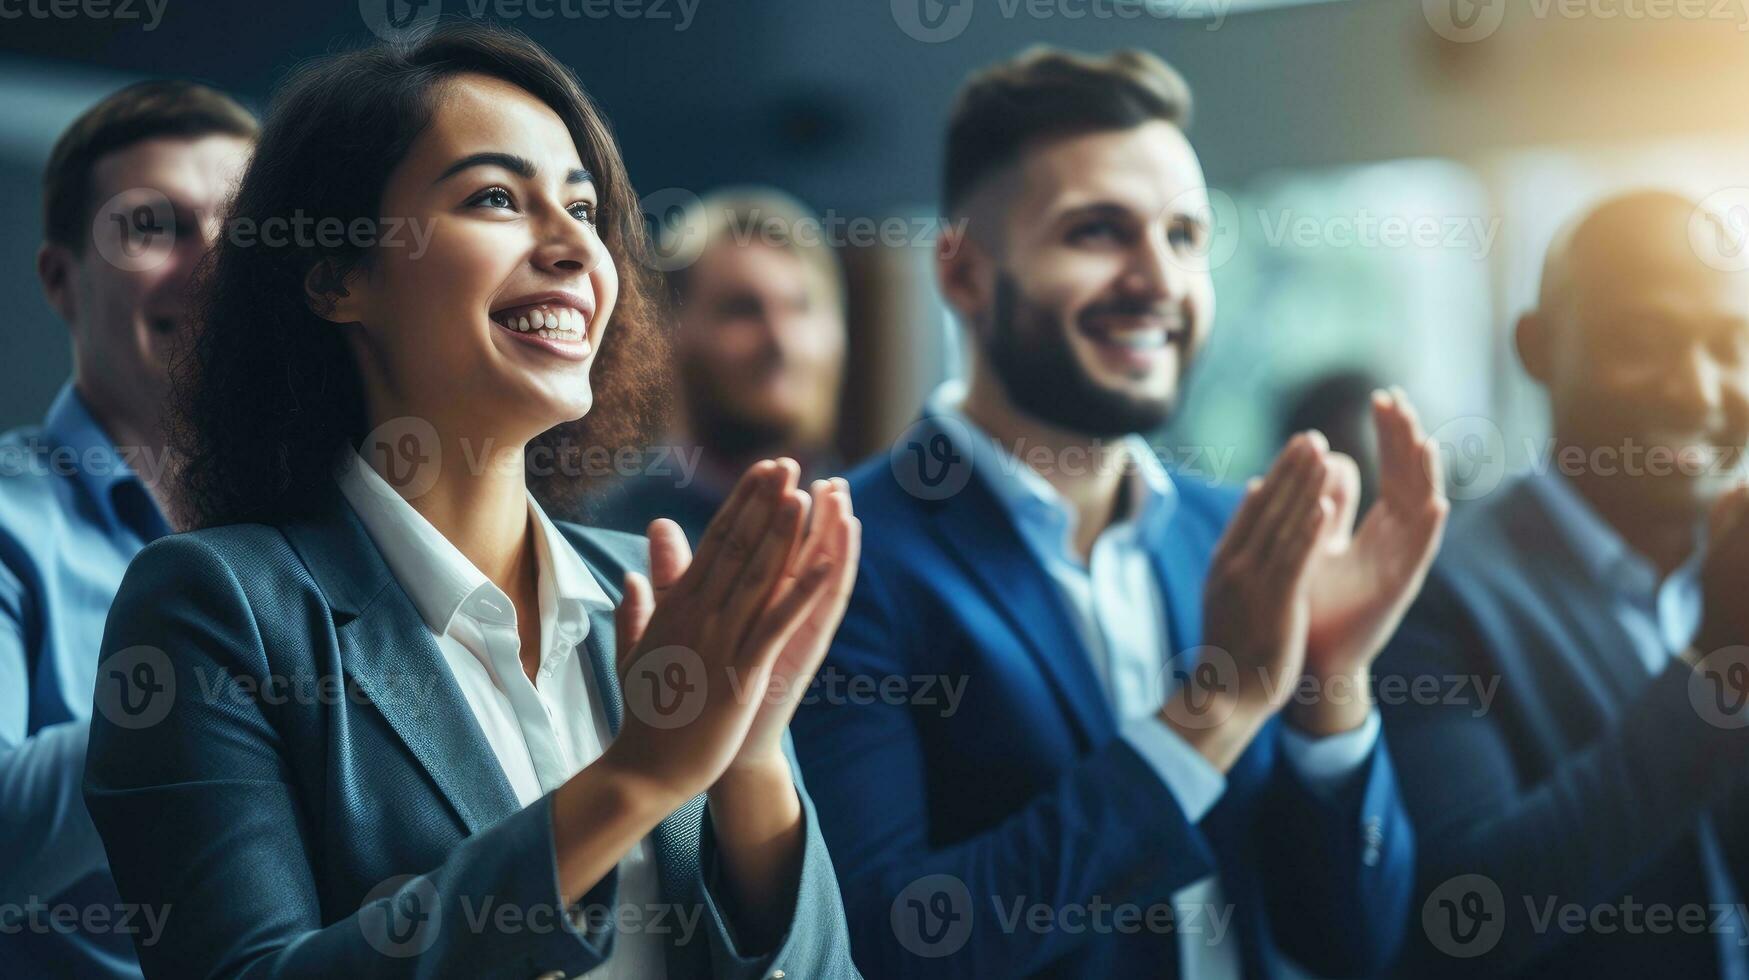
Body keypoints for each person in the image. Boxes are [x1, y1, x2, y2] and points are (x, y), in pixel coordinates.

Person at [82, 25, 860, 978]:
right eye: (496, 197)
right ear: (337, 275)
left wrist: (747, 757)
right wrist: (637, 778)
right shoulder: (214, 605)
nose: (576, 244)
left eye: (584, 207)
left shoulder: (654, 591)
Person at [792, 46, 1449, 978]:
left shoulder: (1240, 541)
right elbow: (893, 943)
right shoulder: (840, 555)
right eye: (1098, 232)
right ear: (965, 273)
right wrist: (1210, 713)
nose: (1157, 280)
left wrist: (1328, 682)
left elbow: (1353, 943)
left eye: (1184, 235)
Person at [1378, 190, 1749, 977]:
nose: (1698, 390)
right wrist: (1716, 660)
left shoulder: (1729, 558)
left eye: (1730, 347)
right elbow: (1465, 911)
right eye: (1643, 341)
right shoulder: (1433, 591)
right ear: (1537, 347)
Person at [0, 79, 255, 979]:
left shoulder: (337, 523)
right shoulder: (7, 523)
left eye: (242, 227)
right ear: (60, 281)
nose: (214, 263)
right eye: (154, 226)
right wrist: (202, 665)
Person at [590, 187, 847, 543]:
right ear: (668, 330)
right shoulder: (603, 537)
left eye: (800, 306)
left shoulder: (878, 527)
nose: (780, 340)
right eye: (742, 309)